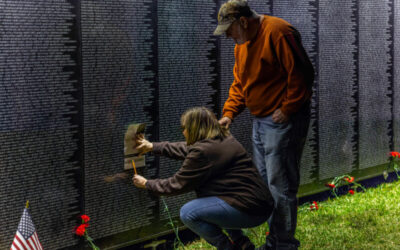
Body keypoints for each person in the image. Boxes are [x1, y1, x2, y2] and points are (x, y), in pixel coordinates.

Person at [213, 1, 315, 249]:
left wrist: (288, 108)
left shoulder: (279, 32)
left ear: (243, 22)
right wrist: (229, 113)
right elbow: (240, 83)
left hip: (281, 122)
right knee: (266, 185)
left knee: (281, 186)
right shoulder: (243, 44)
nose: (227, 35)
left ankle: (283, 245)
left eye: (229, 29)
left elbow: (302, 74)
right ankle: (275, 241)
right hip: (261, 121)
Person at [132, 107, 274, 250]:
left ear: (195, 128)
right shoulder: (222, 139)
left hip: (250, 210)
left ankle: (227, 247)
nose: (183, 132)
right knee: (214, 201)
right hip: (258, 204)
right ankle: (242, 243)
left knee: (189, 212)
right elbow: (186, 149)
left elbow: (176, 184)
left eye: (185, 128)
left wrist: (147, 183)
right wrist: (152, 146)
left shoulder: (203, 151)